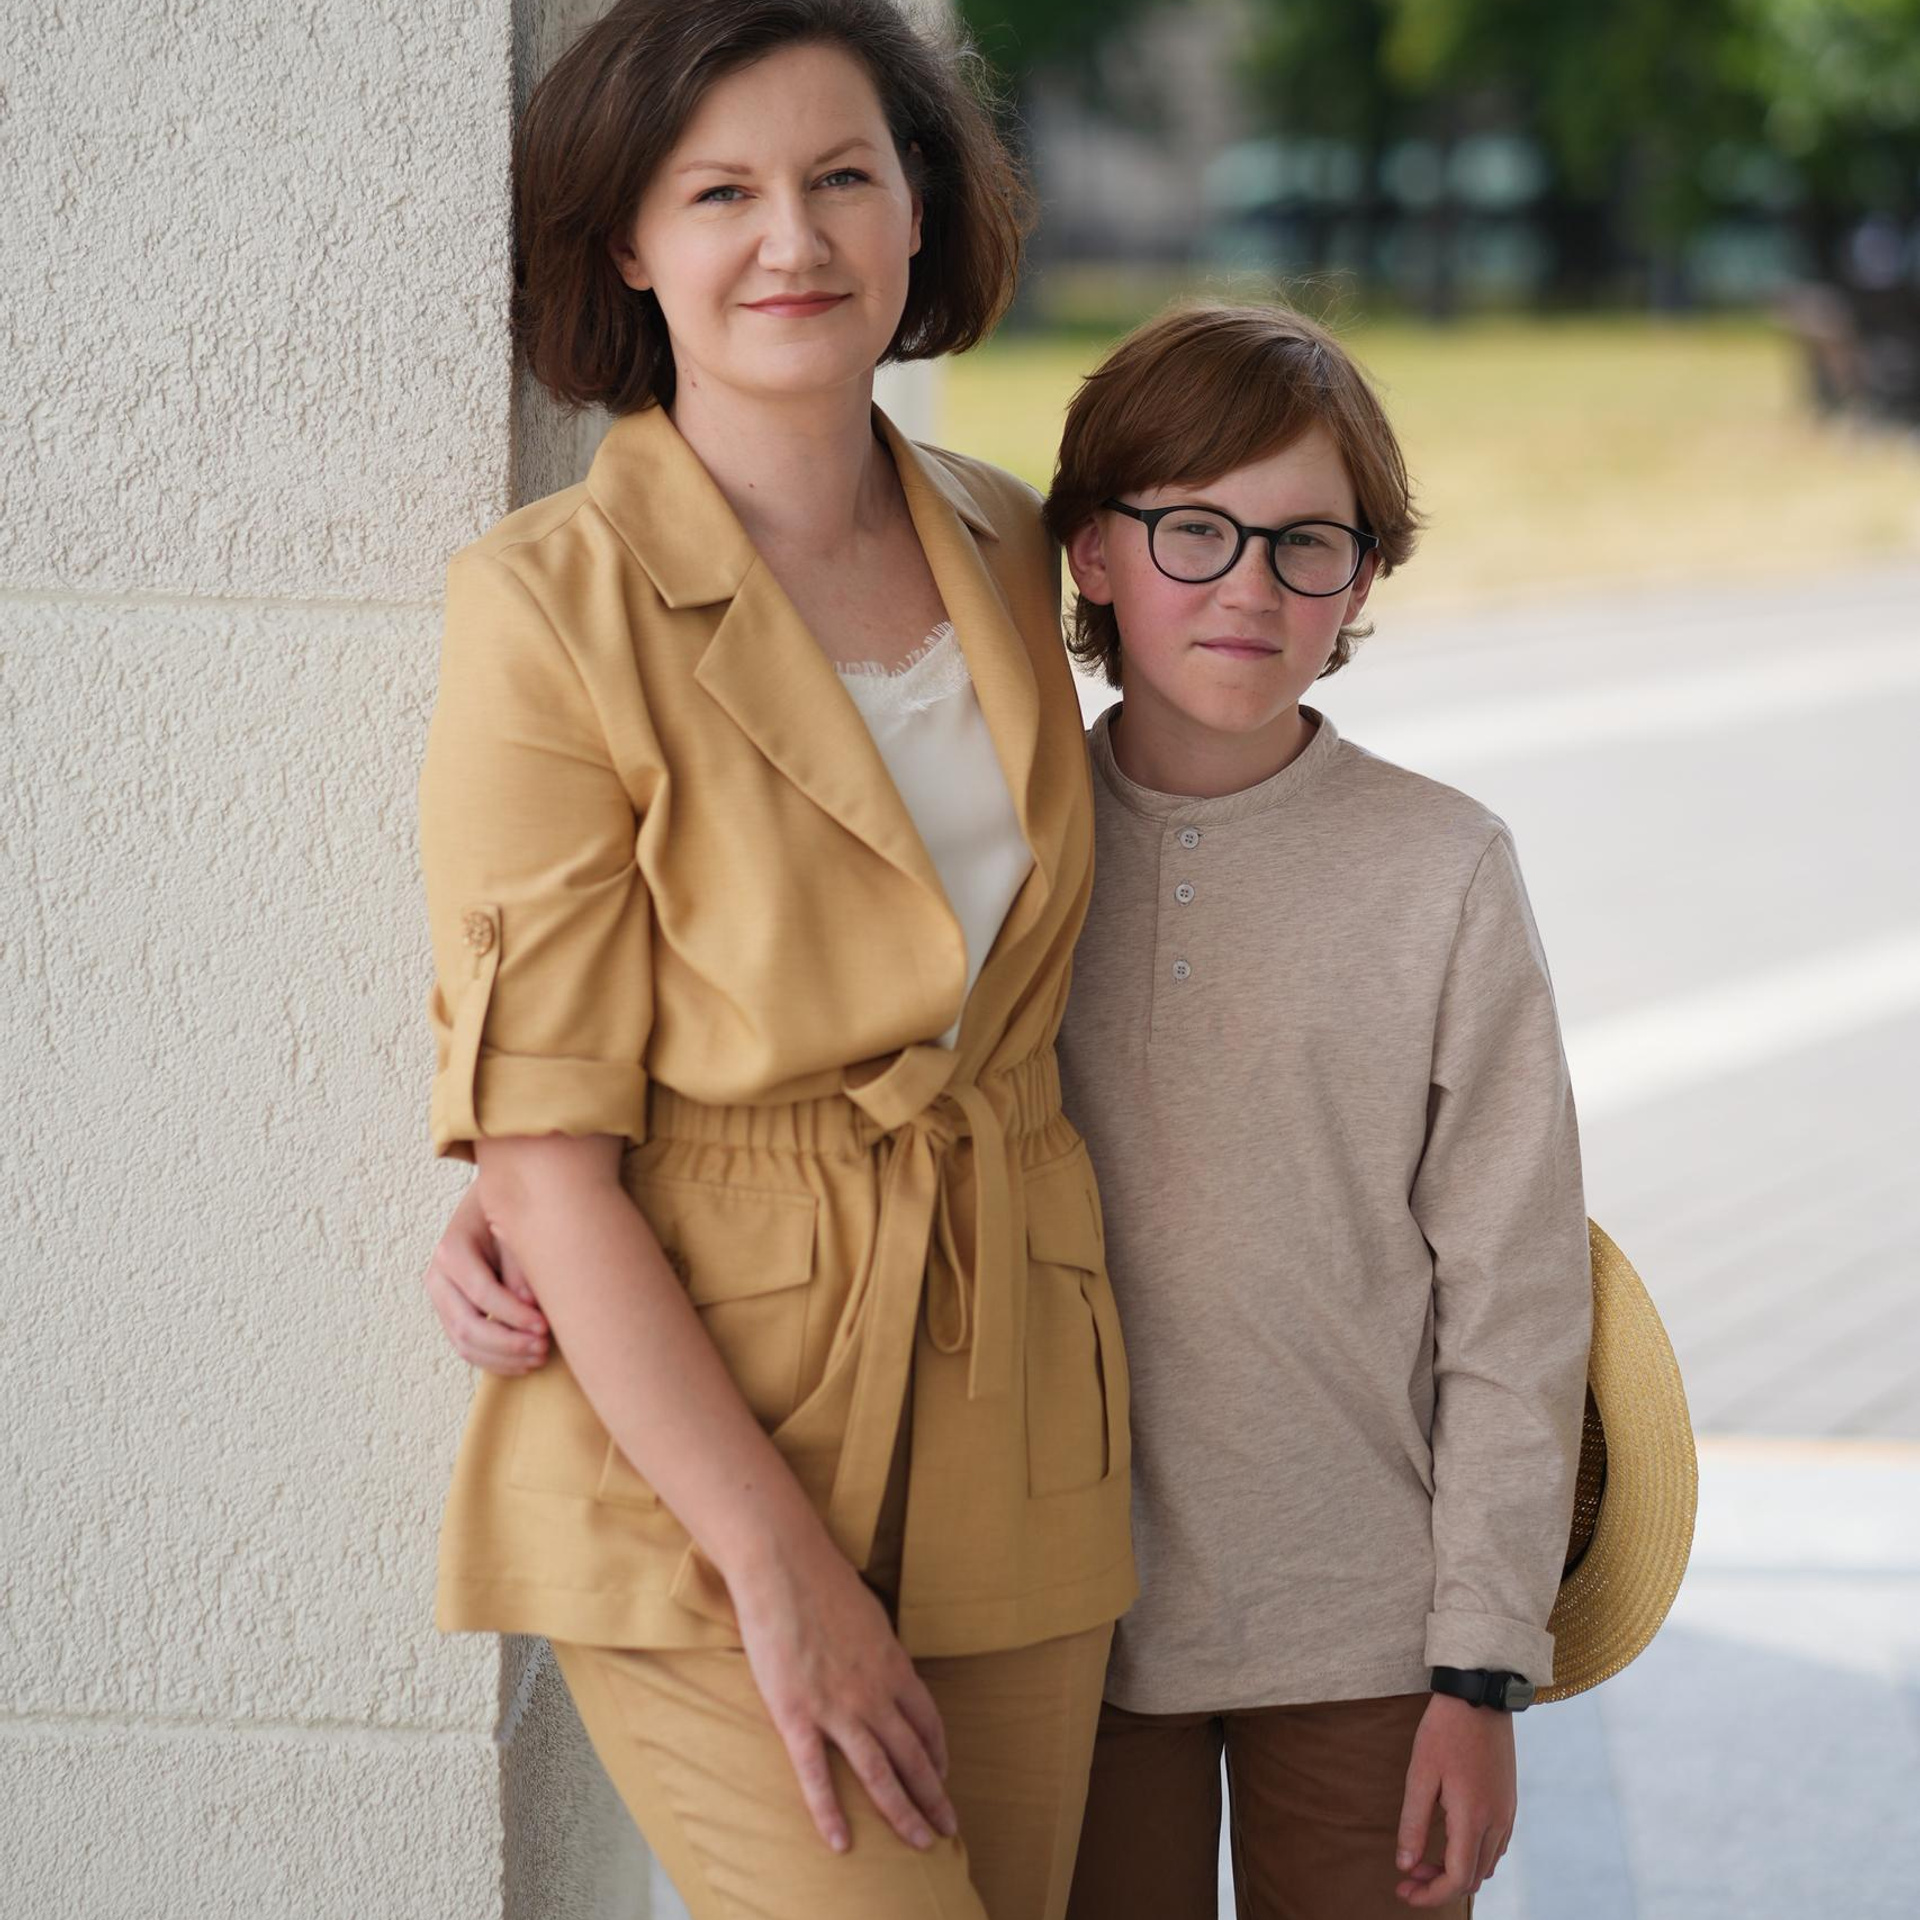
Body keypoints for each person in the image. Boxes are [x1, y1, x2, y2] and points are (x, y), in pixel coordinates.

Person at [432, 299, 1592, 1909]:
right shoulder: (1023, 840)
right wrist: (521, 1187)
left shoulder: (1443, 871)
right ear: (1090, 560)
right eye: (1195, 531)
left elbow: (1515, 1295)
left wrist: (1481, 1667)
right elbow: (788, 1031)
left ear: (1364, 584)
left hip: (1360, 1621)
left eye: (1306, 545)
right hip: (1079, 1602)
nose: (1247, 587)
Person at [414, 4, 1136, 1917]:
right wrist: (782, 1572)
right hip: (705, 1424)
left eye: (841, 178)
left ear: (921, 218)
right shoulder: (548, 602)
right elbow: (546, 1145)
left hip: (1017, 1387)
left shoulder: (1005, 541)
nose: (791, 241)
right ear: (629, 245)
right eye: (718, 191)